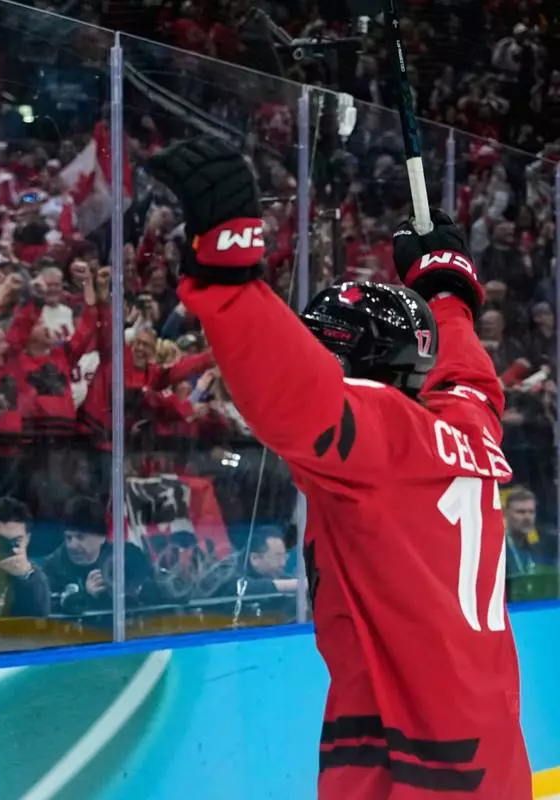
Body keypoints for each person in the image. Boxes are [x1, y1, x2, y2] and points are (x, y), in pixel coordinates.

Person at [149, 136, 530, 798]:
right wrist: (445, 286)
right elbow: (467, 377)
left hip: (408, 756)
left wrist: (229, 274)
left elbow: (297, 395)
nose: (316, 357)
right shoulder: (468, 431)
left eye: (327, 350)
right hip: (492, 746)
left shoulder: (378, 439)